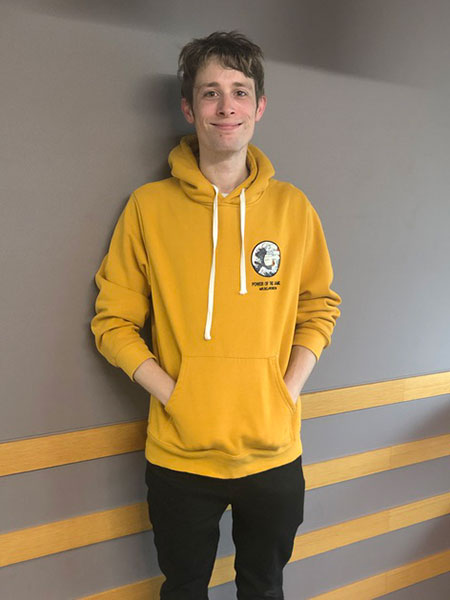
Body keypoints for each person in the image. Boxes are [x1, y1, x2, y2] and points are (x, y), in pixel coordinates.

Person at [90, 30, 341, 600]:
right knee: (183, 591)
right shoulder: (148, 208)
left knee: (264, 589)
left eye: (239, 91)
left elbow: (320, 306)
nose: (226, 106)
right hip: (180, 458)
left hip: (274, 454)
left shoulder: (293, 208)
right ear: (189, 108)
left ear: (259, 106)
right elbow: (112, 321)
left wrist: (286, 390)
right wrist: (176, 395)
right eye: (210, 92)